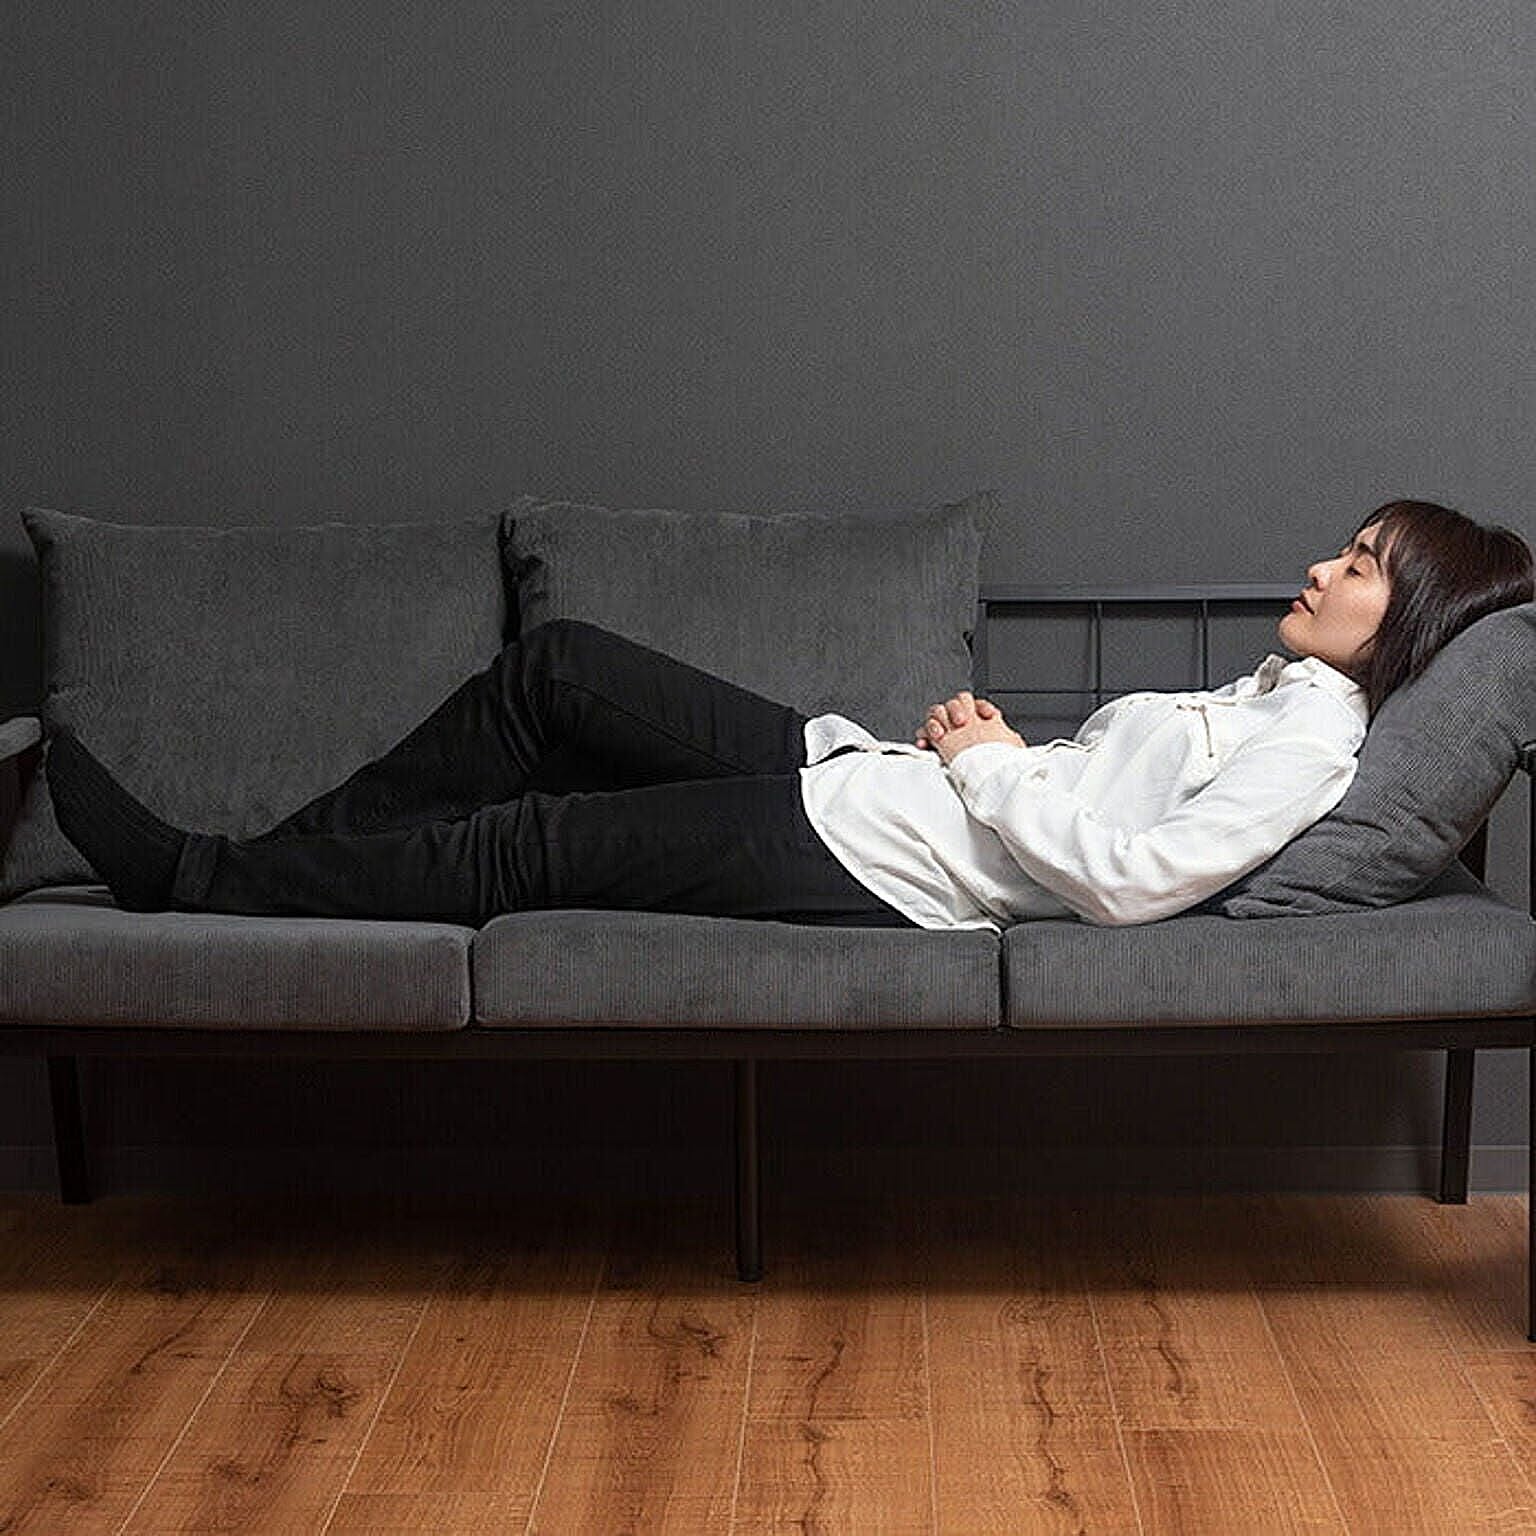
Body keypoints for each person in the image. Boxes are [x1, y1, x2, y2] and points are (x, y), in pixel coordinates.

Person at [47, 498, 1533, 931]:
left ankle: (203, 880)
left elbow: (1135, 883)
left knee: (531, 843)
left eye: (1356, 566)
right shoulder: (1274, 694)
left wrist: (995, 770)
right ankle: (248, 875)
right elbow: (1110, 798)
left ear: (1405, 616)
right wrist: (999, 753)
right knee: (556, 672)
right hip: (869, 781)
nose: (1318, 568)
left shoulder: (1312, 746)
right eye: (1345, 549)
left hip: (880, 859)